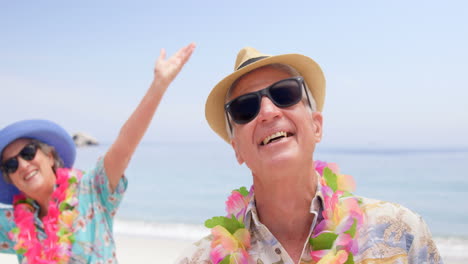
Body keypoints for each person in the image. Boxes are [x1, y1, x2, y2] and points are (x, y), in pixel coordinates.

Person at [176, 47, 442, 264]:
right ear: (237, 150)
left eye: (284, 93)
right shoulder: (199, 260)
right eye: (245, 107)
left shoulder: (401, 231)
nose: (268, 111)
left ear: (316, 126)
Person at [0, 43, 195, 263]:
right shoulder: (14, 224)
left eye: (28, 152)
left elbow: (123, 147)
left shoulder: (91, 191)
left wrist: (158, 86)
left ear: (50, 156)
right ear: (11, 179)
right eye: (11, 165)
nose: (23, 165)